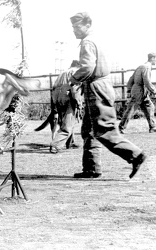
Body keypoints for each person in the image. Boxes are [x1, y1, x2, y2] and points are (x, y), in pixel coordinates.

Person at [69, 12, 146, 179]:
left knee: (104, 129)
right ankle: (91, 168)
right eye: (73, 27)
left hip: (96, 87)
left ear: (87, 25)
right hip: (99, 85)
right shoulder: (96, 40)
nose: (74, 30)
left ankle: (135, 154)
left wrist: (73, 79)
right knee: (89, 129)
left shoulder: (88, 42)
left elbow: (88, 67)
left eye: (77, 26)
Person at [49, 60, 82, 153]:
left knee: (65, 120)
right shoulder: (76, 72)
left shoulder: (63, 73)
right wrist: (78, 102)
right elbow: (75, 89)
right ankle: (56, 144)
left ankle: (70, 142)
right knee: (68, 122)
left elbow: (54, 88)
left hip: (57, 97)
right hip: (68, 96)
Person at [119, 53, 156, 133]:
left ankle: (152, 127)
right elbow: (147, 81)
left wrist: (129, 90)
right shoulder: (146, 67)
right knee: (131, 109)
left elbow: (131, 79)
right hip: (139, 90)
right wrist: (154, 90)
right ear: (152, 58)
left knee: (150, 107)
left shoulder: (141, 66)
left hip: (140, 90)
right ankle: (120, 128)